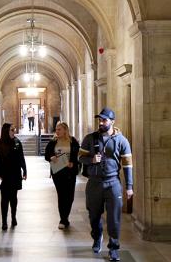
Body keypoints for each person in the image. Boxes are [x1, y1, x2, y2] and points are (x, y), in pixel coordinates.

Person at [77, 108, 133, 262]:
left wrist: (129, 186)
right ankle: (97, 236)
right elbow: (80, 157)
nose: (101, 123)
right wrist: (91, 160)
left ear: (112, 122)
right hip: (94, 183)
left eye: (104, 120)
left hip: (113, 183)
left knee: (114, 218)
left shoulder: (122, 141)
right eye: (99, 120)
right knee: (94, 216)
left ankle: (114, 249)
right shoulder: (90, 138)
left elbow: (128, 165)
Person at [0, 123, 27, 230]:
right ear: (6, 131)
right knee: (4, 198)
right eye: (12, 130)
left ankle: (13, 217)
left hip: (15, 174)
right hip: (3, 175)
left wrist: (25, 170)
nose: (14, 131)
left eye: (14, 129)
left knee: (13, 198)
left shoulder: (17, 142)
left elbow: (21, 157)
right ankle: (4, 221)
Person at [44, 121, 79, 229]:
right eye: (56, 129)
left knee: (70, 196)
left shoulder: (73, 141)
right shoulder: (53, 142)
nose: (57, 131)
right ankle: (63, 219)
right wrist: (51, 157)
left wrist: (73, 162)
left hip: (70, 172)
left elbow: (77, 155)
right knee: (61, 195)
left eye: (59, 129)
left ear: (65, 130)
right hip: (58, 172)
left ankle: (65, 217)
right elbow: (46, 155)